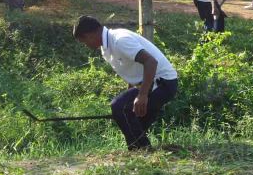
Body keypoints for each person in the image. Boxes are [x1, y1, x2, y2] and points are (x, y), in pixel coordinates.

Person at [73, 15, 178, 150]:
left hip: (162, 82)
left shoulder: (120, 40)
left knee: (119, 106)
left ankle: (141, 150)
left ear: (90, 35)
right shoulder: (106, 48)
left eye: (84, 41)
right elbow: (132, 70)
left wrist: (142, 96)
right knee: (133, 120)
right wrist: (131, 95)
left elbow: (151, 62)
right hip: (150, 83)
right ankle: (141, 150)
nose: (86, 45)